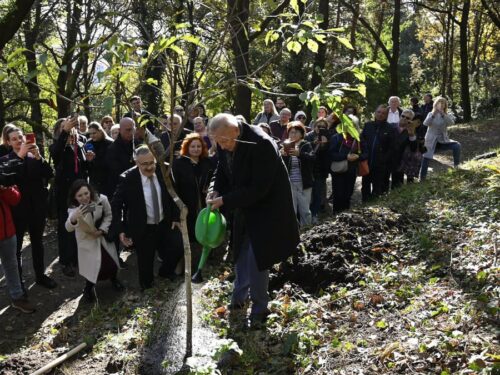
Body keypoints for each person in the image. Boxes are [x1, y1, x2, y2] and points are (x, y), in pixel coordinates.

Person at [207, 114, 300, 327]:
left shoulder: (262, 144)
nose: (222, 146)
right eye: (218, 142)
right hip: (242, 207)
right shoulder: (225, 139)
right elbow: (222, 169)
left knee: (258, 258)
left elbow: (260, 189)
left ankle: (260, 309)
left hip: (266, 209)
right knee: (240, 252)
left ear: (236, 131)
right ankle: (238, 301)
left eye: (225, 141)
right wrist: (215, 189)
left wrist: (225, 200)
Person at [110, 146, 183, 290]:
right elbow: (116, 205)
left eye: (152, 162)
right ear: (136, 163)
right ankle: (147, 287)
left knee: (177, 247)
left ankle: (165, 272)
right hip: (143, 227)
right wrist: (121, 229)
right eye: (144, 164)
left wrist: (175, 217)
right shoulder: (127, 178)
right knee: (145, 262)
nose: (149, 167)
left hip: (165, 222)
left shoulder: (164, 170)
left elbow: (173, 193)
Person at [1, 127, 56, 290]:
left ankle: (40, 276)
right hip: (17, 209)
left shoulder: (34, 156)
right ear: (8, 142)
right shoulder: (5, 160)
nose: (19, 140)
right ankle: (19, 283)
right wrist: (20, 156)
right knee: (16, 248)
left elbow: (49, 173)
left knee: (38, 242)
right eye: (14, 139)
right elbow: (8, 179)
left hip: (36, 207)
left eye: (20, 137)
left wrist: (39, 157)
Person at [66, 180, 123, 302]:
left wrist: (102, 230)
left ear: (90, 191)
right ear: (75, 197)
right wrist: (74, 218)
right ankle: (88, 288)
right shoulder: (74, 210)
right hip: (87, 241)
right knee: (92, 267)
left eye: (86, 193)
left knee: (111, 262)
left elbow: (109, 215)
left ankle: (114, 279)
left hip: (102, 237)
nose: (84, 197)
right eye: (79, 195)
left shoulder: (101, 200)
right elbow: (68, 227)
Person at [50, 116, 88, 277]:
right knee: (66, 228)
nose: (70, 132)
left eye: (71, 129)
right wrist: (65, 131)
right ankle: (66, 261)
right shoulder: (57, 148)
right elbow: (56, 153)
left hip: (80, 194)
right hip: (65, 195)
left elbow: (83, 169)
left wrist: (90, 161)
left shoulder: (80, 146)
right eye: (65, 129)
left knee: (80, 225)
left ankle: (78, 257)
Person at [0, 185, 36, 313]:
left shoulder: (3, 171)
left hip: (7, 231)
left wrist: (4, 188)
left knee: (11, 264)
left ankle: (17, 298)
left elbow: (15, 198)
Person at [172, 134, 213, 241]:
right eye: (193, 146)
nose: (196, 149)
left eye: (198, 146)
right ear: (187, 147)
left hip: (204, 202)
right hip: (186, 203)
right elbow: (175, 187)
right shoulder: (178, 163)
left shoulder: (207, 162)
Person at [281, 122, 315, 227]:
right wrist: (283, 156)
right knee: (291, 210)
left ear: (301, 134)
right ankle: (293, 233)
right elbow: (281, 166)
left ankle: (306, 230)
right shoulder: (285, 145)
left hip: (304, 182)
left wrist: (299, 154)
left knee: (305, 210)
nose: (293, 135)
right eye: (291, 132)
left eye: (296, 132)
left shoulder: (306, 145)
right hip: (289, 183)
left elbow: (312, 158)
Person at [360, 105, 396, 201]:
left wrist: (384, 159)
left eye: (383, 113)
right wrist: (363, 157)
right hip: (367, 163)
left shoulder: (390, 128)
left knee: (377, 190)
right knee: (365, 188)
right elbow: (362, 142)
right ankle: (364, 207)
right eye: (379, 112)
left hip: (380, 166)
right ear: (375, 113)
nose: (380, 114)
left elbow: (392, 148)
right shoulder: (368, 125)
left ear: (387, 115)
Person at [420, 96, 461, 179]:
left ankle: (457, 167)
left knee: (457, 146)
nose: (441, 104)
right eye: (439, 103)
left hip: (443, 140)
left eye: (443, 103)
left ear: (445, 105)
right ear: (435, 104)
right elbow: (425, 123)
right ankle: (422, 178)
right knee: (426, 157)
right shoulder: (430, 114)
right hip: (431, 140)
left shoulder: (447, 115)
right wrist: (434, 114)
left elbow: (451, 123)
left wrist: (443, 114)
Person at [329, 132, 362, 212]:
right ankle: (336, 215)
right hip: (338, 171)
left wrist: (358, 156)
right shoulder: (336, 137)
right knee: (338, 195)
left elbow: (365, 153)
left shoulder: (358, 138)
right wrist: (346, 156)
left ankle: (345, 216)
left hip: (351, 170)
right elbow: (331, 154)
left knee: (348, 194)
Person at [305, 119, 330, 223]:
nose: (320, 128)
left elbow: (329, 154)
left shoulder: (328, 136)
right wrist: (313, 143)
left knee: (317, 193)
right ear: (314, 126)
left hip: (321, 170)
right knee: (307, 194)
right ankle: (306, 214)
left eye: (323, 126)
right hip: (309, 169)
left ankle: (315, 214)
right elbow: (304, 148)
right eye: (318, 126)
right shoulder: (308, 136)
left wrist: (325, 144)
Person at [105, 117, 136, 198]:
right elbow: (117, 173)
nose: (131, 133)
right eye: (128, 130)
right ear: (120, 130)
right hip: (121, 189)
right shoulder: (112, 149)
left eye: (133, 129)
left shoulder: (138, 144)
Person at [86, 122, 113, 195]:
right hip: (93, 180)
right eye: (90, 134)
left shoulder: (110, 143)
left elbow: (110, 163)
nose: (92, 136)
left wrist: (94, 159)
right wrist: (89, 160)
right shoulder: (88, 143)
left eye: (94, 133)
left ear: (100, 131)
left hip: (107, 180)